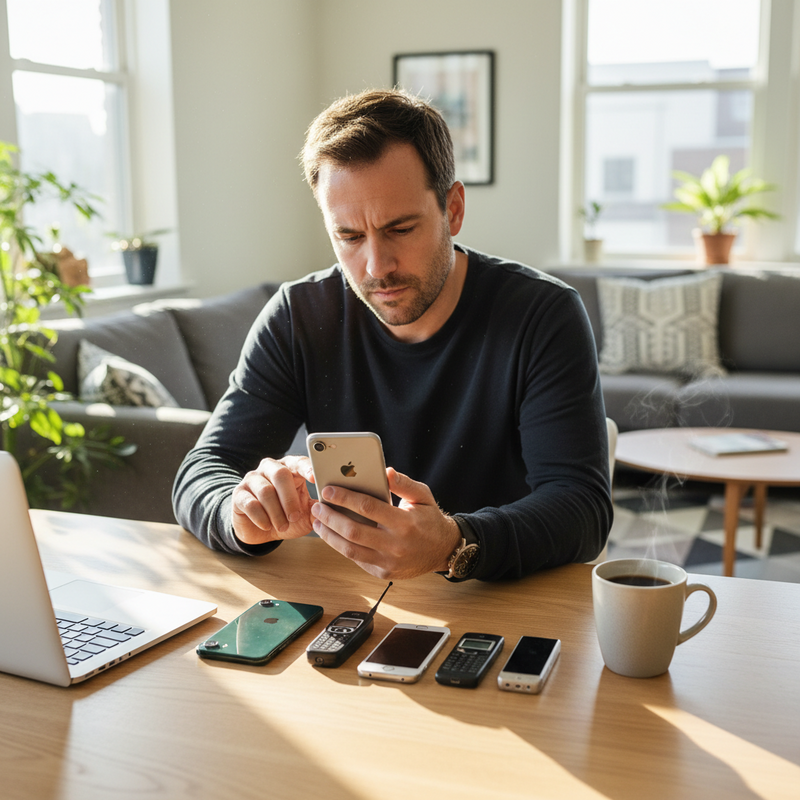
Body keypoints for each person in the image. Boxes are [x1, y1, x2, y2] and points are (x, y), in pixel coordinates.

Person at [173, 88, 612, 582]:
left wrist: (455, 542)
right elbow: (202, 471)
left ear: (454, 208)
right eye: (349, 237)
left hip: (499, 602)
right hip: (349, 600)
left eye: (401, 228)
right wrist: (240, 513)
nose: (376, 267)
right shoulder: (297, 316)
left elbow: (582, 509)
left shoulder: (542, 315)